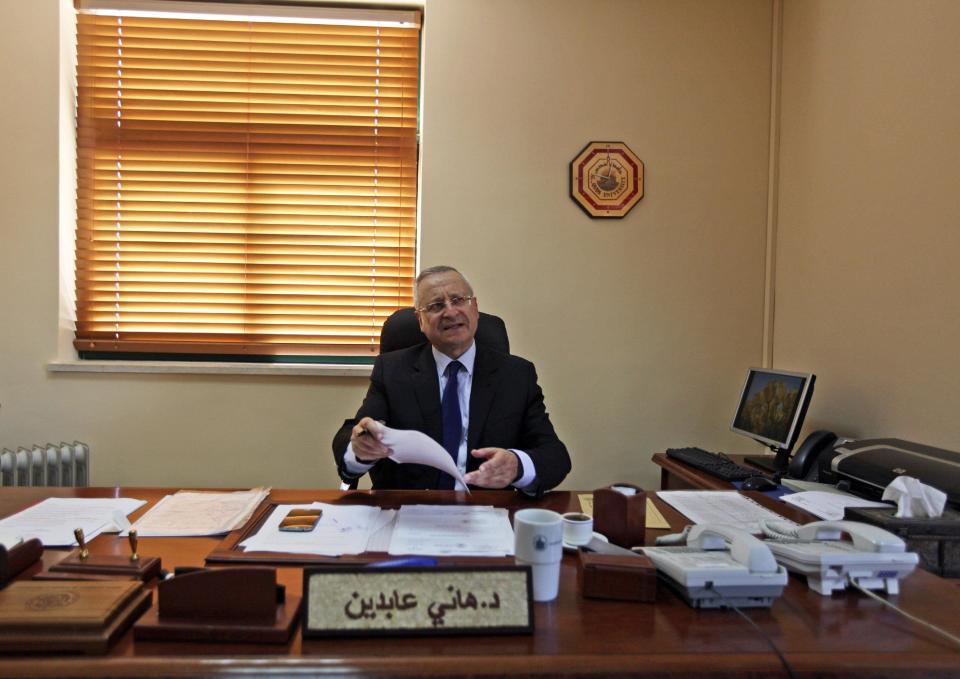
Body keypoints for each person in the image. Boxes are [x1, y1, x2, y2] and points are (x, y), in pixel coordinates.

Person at [332, 265, 570, 496]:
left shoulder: (517, 375)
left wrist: (517, 466)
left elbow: (555, 456)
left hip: (486, 512)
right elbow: (351, 434)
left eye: (458, 300)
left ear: (474, 308)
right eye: (436, 305)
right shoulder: (393, 370)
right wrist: (360, 449)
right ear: (421, 321)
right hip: (409, 511)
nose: (450, 311)